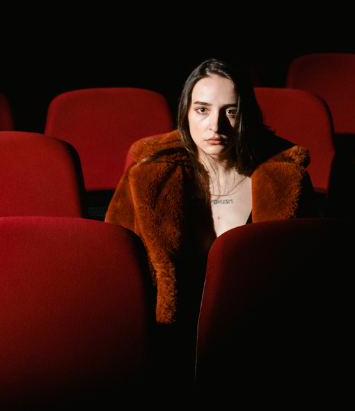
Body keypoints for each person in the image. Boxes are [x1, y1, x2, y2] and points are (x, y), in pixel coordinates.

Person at [105, 58, 315, 325]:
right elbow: (115, 271)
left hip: (253, 330)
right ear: (186, 113)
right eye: (202, 110)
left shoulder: (287, 180)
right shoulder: (146, 175)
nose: (215, 126)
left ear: (247, 116)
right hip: (167, 332)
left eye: (231, 111)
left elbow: (303, 276)